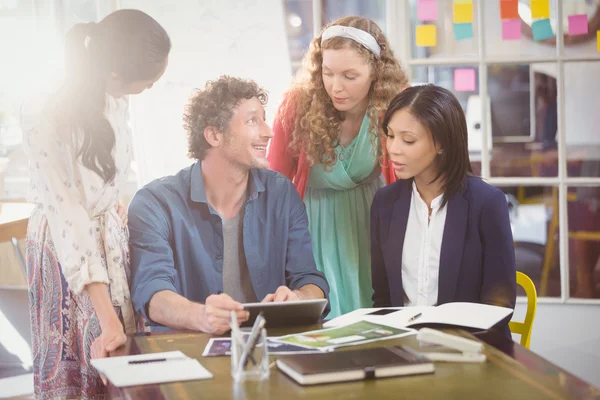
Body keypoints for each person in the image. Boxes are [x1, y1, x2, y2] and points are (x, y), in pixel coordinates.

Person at [21, 9, 170, 399]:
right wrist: (107, 318)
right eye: (148, 82)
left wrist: (114, 204)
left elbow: (104, 173)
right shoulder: (44, 111)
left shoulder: (111, 97)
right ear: (115, 74)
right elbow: (69, 216)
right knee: (87, 360)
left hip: (106, 240)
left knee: (124, 369)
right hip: (67, 248)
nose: (151, 88)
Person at [128, 76, 329, 334]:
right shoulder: (155, 203)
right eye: (252, 120)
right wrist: (201, 316)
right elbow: (151, 291)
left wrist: (299, 298)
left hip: (270, 347)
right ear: (213, 135)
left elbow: (309, 278)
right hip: (190, 352)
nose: (268, 132)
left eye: (264, 119)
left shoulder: (281, 194)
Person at [268, 16, 408, 318]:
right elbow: (274, 181)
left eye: (350, 76)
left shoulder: (394, 105)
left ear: (376, 72)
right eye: (328, 73)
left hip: (370, 225)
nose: (336, 86)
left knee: (374, 316)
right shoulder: (296, 106)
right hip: (310, 225)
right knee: (321, 318)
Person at [370, 85, 516, 336]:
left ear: (441, 142)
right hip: (404, 350)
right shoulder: (385, 204)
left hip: (469, 351)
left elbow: (499, 305)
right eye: (390, 135)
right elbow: (383, 297)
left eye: (408, 140)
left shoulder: (486, 203)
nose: (393, 148)